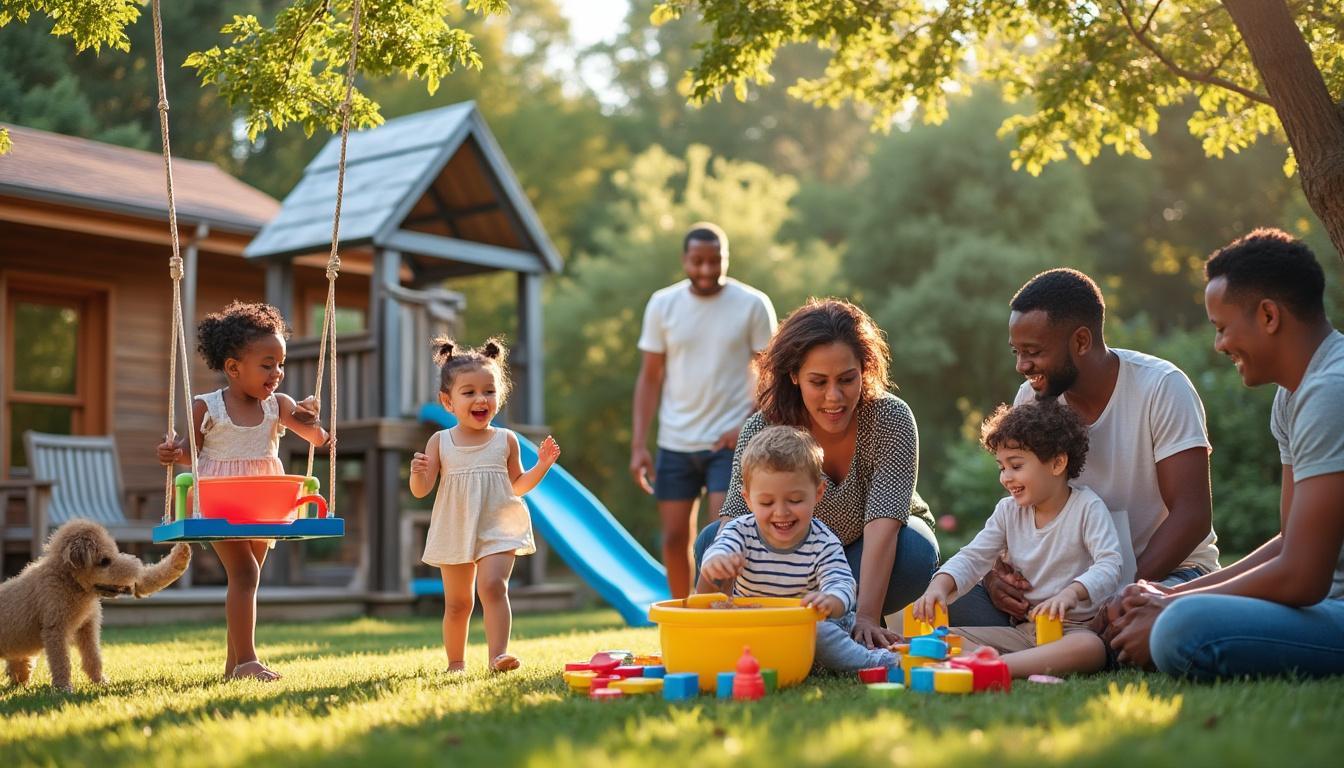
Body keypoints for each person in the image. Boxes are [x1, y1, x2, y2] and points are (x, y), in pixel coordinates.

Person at [1110, 229, 1344, 679]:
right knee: (1176, 614)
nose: (1218, 345)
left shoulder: (1330, 393)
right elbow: (1289, 541)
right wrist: (1164, 594)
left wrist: (1174, 604)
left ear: (1269, 316)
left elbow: (1302, 575)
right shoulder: (1292, 397)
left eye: (1221, 328)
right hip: (1326, 602)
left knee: (1180, 629)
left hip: (1331, 603)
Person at [951, 268, 1220, 629]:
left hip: (1165, 573)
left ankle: (1094, 636)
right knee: (955, 595)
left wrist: (1116, 594)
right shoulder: (1031, 397)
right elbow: (1021, 498)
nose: (1021, 366)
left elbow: (1192, 516)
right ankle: (1072, 637)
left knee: (1146, 624)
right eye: (1017, 352)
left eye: (1033, 352)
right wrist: (995, 576)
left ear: (1080, 341)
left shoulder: (1162, 388)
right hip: (1067, 585)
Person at [695, 298, 939, 649]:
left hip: (872, 549)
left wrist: (866, 617)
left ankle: (844, 622)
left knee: (914, 550)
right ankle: (784, 623)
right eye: (818, 382)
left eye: (846, 379)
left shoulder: (891, 418)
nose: (834, 397)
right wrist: (709, 619)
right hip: (790, 553)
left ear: (864, 370)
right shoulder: (762, 427)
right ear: (794, 376)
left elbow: (883, 523)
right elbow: (736, 516)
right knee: (710, 544)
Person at [157, 301, 330, 681]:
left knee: (246, 582)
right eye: (267, 364)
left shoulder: (278, 406)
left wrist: (312, 419)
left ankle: (233, 667)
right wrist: (173, 452)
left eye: (280, 364)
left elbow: (319, 439)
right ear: (234, 368)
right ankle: (249, 661)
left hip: (264, 504)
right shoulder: (207, 407)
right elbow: (190, 454)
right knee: (246, 574)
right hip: (219, 503)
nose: (277, 373)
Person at [915, 400, 1122, 677]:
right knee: (941, 637)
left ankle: (995, 666)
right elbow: (974, 556)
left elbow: (1110, 565)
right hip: (1024, 633)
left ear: (1058, 463)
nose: (1005, 477)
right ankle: (984, 660)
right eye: (1002, 467)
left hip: (1073, 631)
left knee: (1091, 649)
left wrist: (1071, 593)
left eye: (1016, 465)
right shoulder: (1008, 511)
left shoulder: (1087, 507)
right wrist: (938, 587)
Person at [631, 223, 777, 598]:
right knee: (675, 536)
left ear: (726, 259)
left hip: (729, 441)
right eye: (697, 261)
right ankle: (683, 615)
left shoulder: (752, 304)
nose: (706, 270)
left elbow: (770, 376)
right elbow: (649, 378)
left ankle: (720, 611)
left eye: (715, 261)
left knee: (721, 535)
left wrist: (745, 424)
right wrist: (638, 445)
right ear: (684, 260)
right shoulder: (662, 304)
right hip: (675, 441)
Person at [410, 337, 560, 673]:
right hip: (456, 525)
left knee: (493, 586)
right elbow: (422, 491)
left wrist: (542, 466)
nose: (481, 399)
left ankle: (497, 656)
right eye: (469, 392)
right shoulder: (440, 441)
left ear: (499, 396)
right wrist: (417, 474)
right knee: (459, 603)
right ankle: (456, 662)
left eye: (489, 391)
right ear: (447, 402)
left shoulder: (505, 440)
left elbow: (517, 485)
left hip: (498, 523)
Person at [697, 426, 898, 672]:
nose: (781, 512)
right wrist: (717, 561)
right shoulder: (741, 531)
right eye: (767, 502)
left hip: (807, 626)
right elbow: (720, 548)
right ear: (748, 499)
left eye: (795, 500)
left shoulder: (823, 541)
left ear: (818, 493)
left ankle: (871, 662)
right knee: (724, 621)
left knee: (820, 630)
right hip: (759, 626)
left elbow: (842, 583)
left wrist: (831, 600)